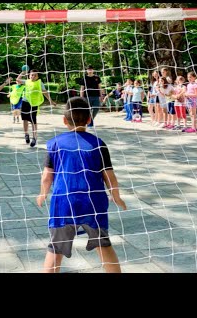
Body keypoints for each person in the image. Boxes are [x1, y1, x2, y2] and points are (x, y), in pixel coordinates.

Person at [36, 97, 127, 273]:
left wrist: (42, 193)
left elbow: (47, 175)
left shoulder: (54, 143)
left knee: (56, 247)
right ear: (89, 119)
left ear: (64, 120)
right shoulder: (98, 144)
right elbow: (109, 175)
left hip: (64, 201)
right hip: (92, 201)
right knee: (103, 244)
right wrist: (116, 196)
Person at [17, 69, 56, 148]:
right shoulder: (27, 81)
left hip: (34, 104)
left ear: (37, 76)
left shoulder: (39, 83)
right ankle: (26, 134)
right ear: (29, 75)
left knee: (33, 120)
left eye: (35, 75)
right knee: (24, 119)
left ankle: (34, 137)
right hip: (25, 102)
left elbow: (45, 92)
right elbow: (17, 80)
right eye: (32, 75)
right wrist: (22, 72)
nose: (33, 76)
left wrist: (50, 101)